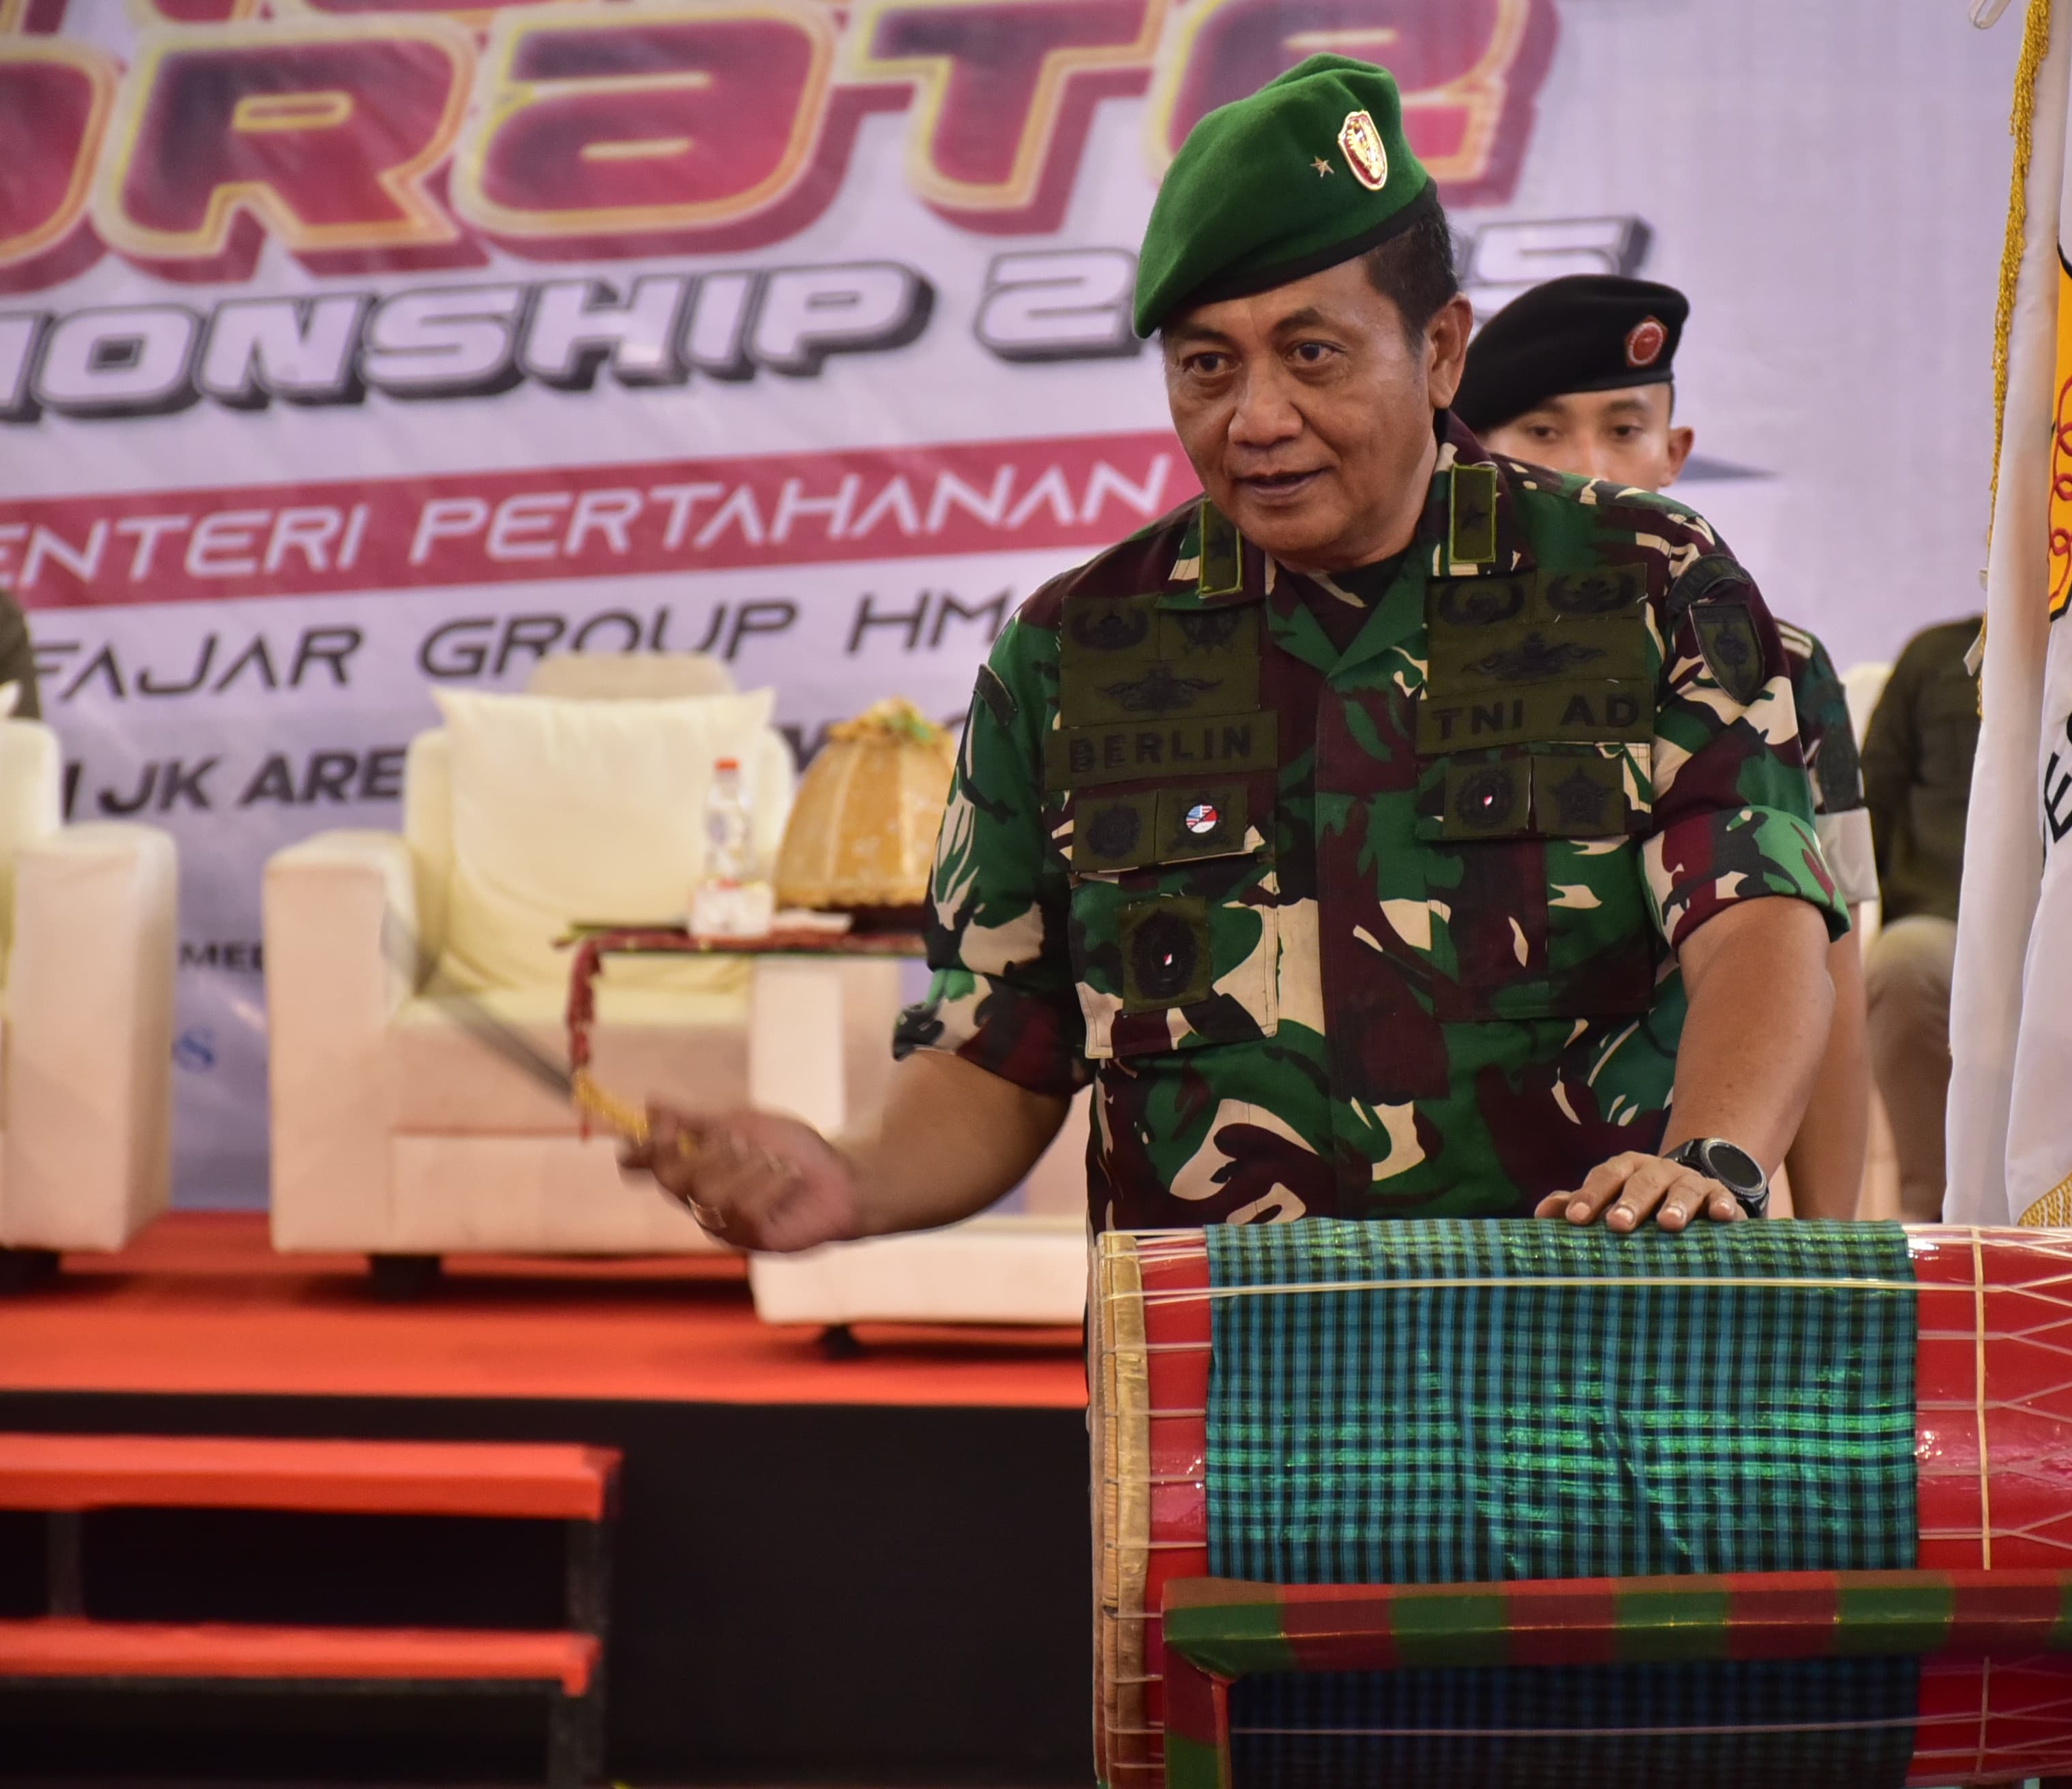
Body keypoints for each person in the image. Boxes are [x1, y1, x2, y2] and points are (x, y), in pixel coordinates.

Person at [631, 57, 1846, 1246]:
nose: (1257, 420)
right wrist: (851, 1177)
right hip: (1220, 1353)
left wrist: (1707, 1158)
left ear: (1439, 352)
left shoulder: (1643, 582)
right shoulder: (1073, 653)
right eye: (1207, 366)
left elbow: (1756, 921)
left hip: (1571, 1333)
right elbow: (999, 1044)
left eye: (1312, 354)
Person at [1451, 273, 1872, 1217]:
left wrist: (1832, 1243)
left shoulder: (1785, 669)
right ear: (1476, 453)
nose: (1589, 465)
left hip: (1672, 1208)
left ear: (1674, 452)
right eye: (1543, 432)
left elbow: (1829, 966)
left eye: (1625, 430)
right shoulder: (1415, 662)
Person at [1856, 616, 1980, 1222]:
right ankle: (1933, 1218)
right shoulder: (1934, 657)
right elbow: (1865, 815)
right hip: (1946, 924)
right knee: (1906, 962)